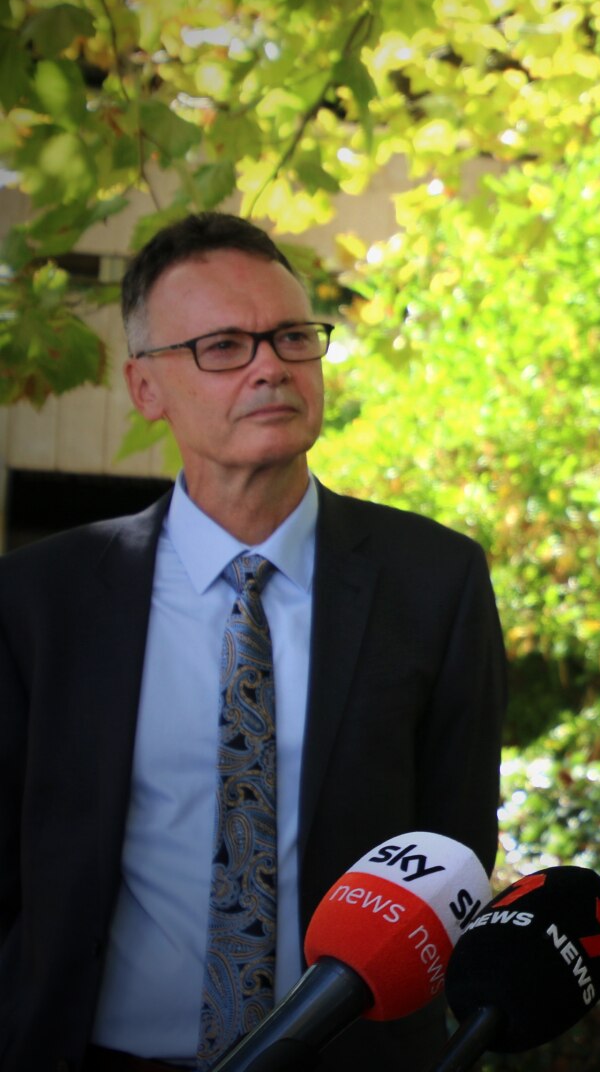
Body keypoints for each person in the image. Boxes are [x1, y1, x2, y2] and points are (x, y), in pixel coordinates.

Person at [0, 213, 508, 1071]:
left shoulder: (436, 582)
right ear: (145, 387)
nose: (271, 365)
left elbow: (451, 856)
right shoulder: (40, 602)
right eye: (224, 346)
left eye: (291, 337)